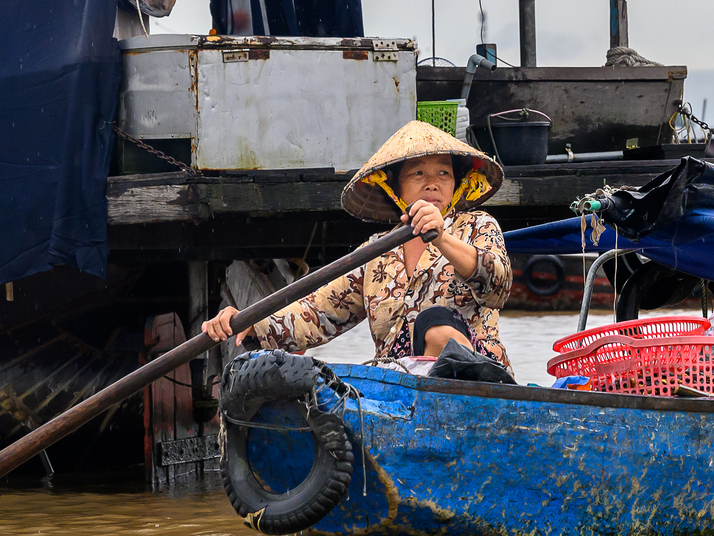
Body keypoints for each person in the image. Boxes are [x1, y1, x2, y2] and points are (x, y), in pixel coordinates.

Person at [203, 120, 514, 371]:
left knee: (436, 324)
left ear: (456, 185)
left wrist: (441, 236)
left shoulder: (477, 226)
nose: (432, 182)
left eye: (443, 173)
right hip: (399, 387)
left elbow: (498, 285)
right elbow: (316, 311)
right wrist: (248, 320)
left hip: (475, 379)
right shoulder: (376, 253)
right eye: (418, 173)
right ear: (396, 188)